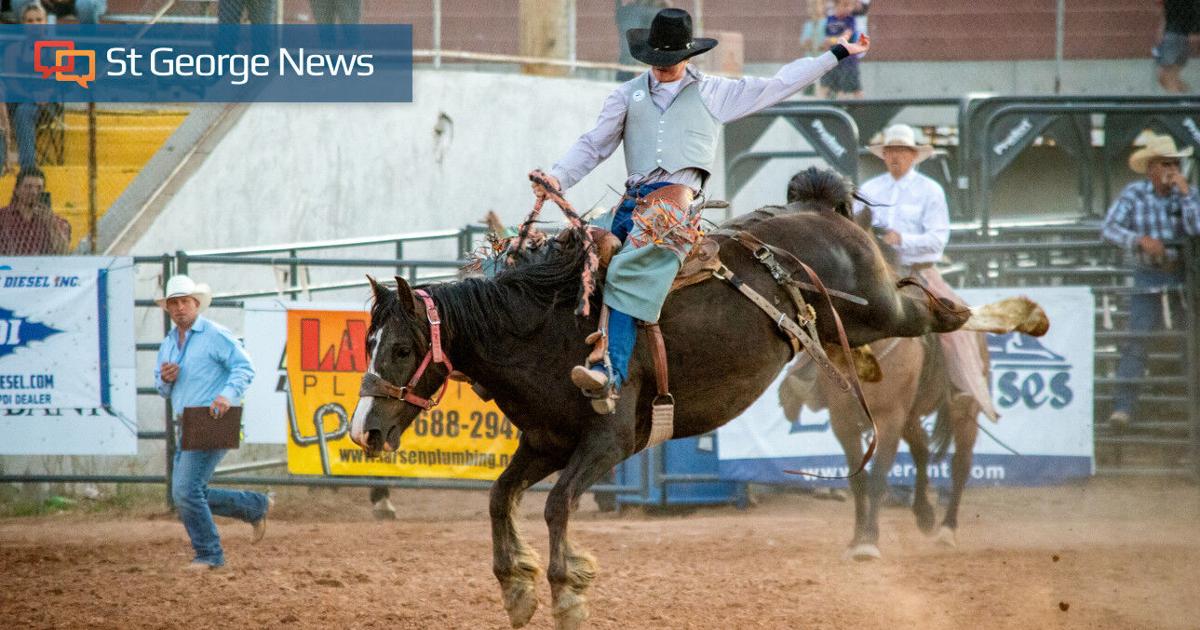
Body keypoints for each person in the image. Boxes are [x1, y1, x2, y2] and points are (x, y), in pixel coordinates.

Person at [528, 7, 869, 407]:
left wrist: (836, 55)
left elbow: (779, 84)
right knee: (575, 252)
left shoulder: (714, 92)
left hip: (675, 207)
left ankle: (610, 372)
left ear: (687, 57)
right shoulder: (626, 95)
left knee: (628, 267)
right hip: (631, 202)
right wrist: (556, 178)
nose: (661, 69)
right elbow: (593, 145)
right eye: (656, 61)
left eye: (669, 61)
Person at [853, 123, 998, 422]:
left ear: (914, 156)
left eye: (902, 152)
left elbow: (937, 239)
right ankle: (807, 379)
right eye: (890, 151)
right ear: (884, 155)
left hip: (919, 272)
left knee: (955, 325)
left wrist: (902, 239)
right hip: (876, 274)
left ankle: (964, 389)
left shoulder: (930, 191)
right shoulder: (869, 190)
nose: (895, 157)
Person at [154, 275, 270, 570]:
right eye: (174, 303)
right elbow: (163, 388)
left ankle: (209, 554)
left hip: (212, 419)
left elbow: (244, 366)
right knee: (190, 490)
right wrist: (165, 380)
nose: (180, 308)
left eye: (185, 302)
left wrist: (227, 395)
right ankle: (254, 506)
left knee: (185, 491)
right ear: (168, 308)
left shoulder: (215, 335)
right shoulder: (168, 344)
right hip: (189, 423)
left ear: (196, 305)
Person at [1101, 133, 1200, 429]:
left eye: (1175, 163)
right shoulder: (1135, 193)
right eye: (1165, 163)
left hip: (1182, 277)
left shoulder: (1188, 194)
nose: (1172, 169)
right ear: (1151, 168)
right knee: (1138, 339)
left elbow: (1196, 228)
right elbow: (1108, 228)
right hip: (1148, 274)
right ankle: (1123, 408)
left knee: (1190, 343)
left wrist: (1185, 195)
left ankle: (1192, 411)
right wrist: (1139, 240)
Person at [0, 167, 70, 255]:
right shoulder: (3, 217)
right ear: (17, 190)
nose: (34, 192)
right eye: (28, 187)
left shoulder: (54, 220)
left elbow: (64, 253)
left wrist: (51, 224)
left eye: (39, 188)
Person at [817, 0, 863, 99]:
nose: (848, 9)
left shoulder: (850, 20)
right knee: (825, 86)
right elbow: (824, 41)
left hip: (848, 61)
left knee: (853, 88)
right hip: (832, 59)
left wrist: (832, 40)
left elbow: (846, 36)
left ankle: (864, 110)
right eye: (845, 5)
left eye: (850, 6)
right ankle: (819, 109)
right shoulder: (830, 19)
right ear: (836, 5)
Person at [1153, 0, 1199, 94]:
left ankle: (1180, 105)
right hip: (1176, 35)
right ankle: (1189, 99)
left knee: (1166, 76)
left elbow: (1160, 10)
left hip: (1174, 35)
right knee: (1170, 76)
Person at [13, 0, 105, 23]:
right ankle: (27, 44)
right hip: (50, 3)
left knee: (84, 5)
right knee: (18, 1)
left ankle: (90, 47)